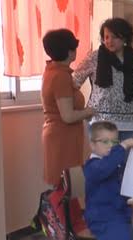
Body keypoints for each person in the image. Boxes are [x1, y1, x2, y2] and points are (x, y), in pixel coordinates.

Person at [73, 18, 133, 141]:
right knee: (105, 160)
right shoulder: (94, 57)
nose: (109, 41)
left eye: (114, 37)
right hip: (101, 122)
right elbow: (75, 80)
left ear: (125, 38)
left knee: (126, 160)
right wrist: (78, 109)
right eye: (106, 37)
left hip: (130, 124)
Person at [41, 29, 94, 186]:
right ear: (70, 51)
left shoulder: (53, 71)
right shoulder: (60, 76)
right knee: (67, 188)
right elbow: (68, 116)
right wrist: (90, 111)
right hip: (62, 138)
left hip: (61, 136)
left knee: (67, 188)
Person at [84, 121, 133, 240]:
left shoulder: (114, 163)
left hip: (119, 212)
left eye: (114, 142)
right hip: (101, 217)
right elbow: (104, 168)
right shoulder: (92, 166)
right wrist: (122, 146)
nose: (110, 147)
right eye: (105, 142)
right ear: (92, 145)